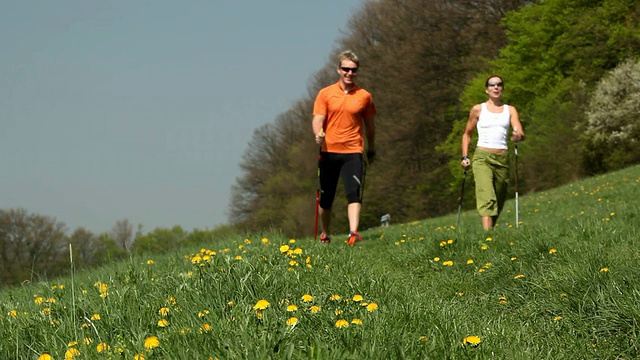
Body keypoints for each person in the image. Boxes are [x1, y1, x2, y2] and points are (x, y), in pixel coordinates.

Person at [312, 50, 376, 246]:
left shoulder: (364, 96)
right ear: (339, 70)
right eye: (346, 69)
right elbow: (318, 118)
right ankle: (326, 233)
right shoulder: (326, 93)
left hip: (353, 151)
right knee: (326, 197)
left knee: (353, 192)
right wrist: (318, 133)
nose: (350, 73)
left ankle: (353, 233)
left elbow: (370, 125)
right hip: (330, 151)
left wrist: (371, 148)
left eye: (353, 70)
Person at [461, 75, 525, 231]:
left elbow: (519, 131)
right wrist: (465, 156)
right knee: (487, 196)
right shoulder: (478, 109)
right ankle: (487, 237)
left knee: (499, 198)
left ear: (502, 88)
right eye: (492, 85)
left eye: (499, 84)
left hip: (502, 158)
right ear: (487, 89)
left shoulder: (510, 110)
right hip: (482, 157)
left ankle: (491, 232)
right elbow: (467, 134)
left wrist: (518, 136)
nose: (496, 87)